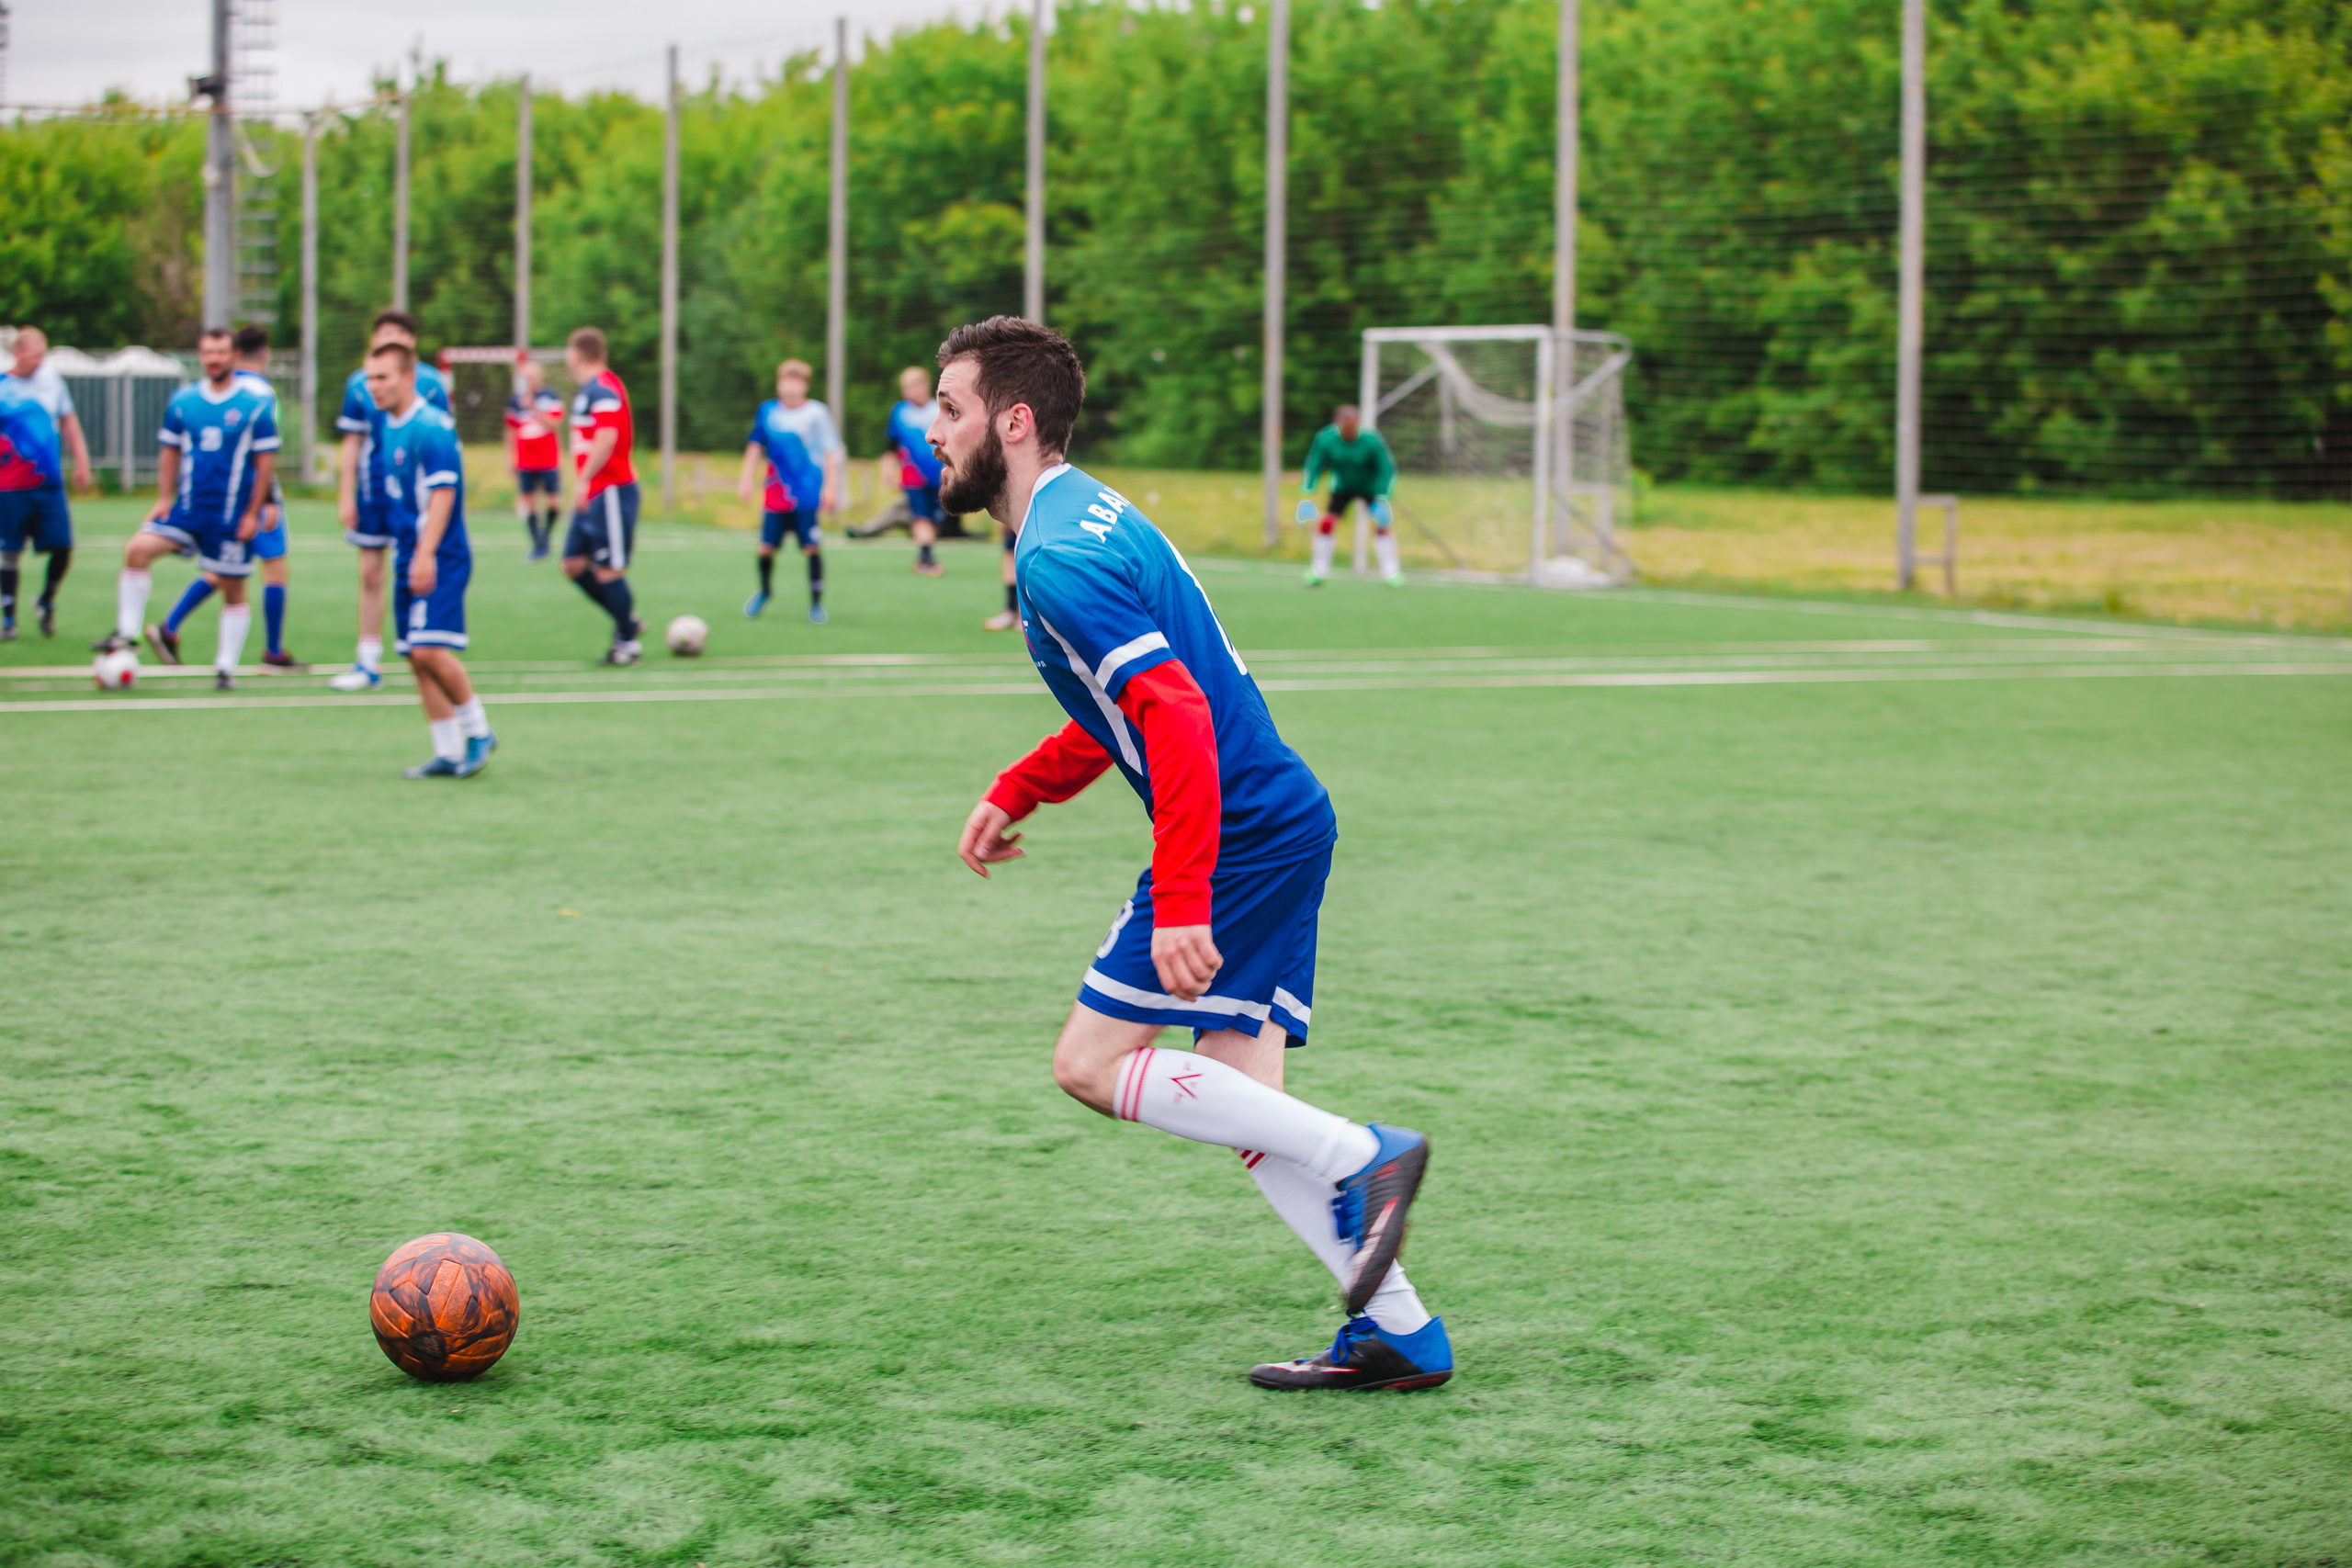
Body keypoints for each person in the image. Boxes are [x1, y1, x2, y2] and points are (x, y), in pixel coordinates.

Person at [942, 316, 1452, 1393]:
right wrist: (1019, 787)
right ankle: (1400, 1333)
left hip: (1241, 833)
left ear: (1014, 421)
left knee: (1087, 1064)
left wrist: (1181, 899)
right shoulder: (1084, 515)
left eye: (951, 408)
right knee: (1246, 1108)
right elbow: (1120, 704)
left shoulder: (1053, 557)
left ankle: (1367, 1155)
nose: (933, 432)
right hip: (1276, 816)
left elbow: (1172, 711)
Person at [101, 327, 277, 692]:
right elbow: (170, 450)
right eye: (207, 353)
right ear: (201, 357)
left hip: (230, 517)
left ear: (234, 356)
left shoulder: (254, 406)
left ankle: (225, 668)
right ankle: (127, 634)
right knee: (137, 549)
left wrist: (254, 512)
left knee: (233, 590)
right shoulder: (183, 401)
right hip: (187, 509)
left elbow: (265, 463)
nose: (213, 359)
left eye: (220, 352)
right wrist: (164, 498)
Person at [364, 342, 494, 777]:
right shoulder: (388, 426)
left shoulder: (432, 427)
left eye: (381, 377)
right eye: (369, 377)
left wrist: (425, 554)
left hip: (441, 556)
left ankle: (479, 731)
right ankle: (449, 750)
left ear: (407, 377)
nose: (373, 386)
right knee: (415, 656)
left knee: (430, 649)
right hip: (408, 554)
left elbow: (443, 493)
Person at [150, 326, 302, 670]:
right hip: (246, 500)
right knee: (272, 567)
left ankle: (170, 627)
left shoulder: (215, 390)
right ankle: (273, 651)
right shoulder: (260, 392)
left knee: (224, 570)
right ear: (264, 354)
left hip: (218, 498)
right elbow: (261, 457)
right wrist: (270, 501)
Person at [330, 310, 451, 693]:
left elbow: (444, 445)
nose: (388, 339)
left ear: (410, 342)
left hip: (413, 498)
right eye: (382, 333)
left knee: (417, 569)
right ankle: (367, 661)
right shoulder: (360, 384)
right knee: (369, 573)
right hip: (373, 493)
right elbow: (352, 439)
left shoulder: (431, 384)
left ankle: (426, 644)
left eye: (397, 333)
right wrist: (345, 492)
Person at [560, 327, 645, 665]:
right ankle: (629, 622)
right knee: (573, 564)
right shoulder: (589, 390)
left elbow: (607, 438)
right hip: (594, 492)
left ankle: (627, 643)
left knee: (608, 570)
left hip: (610, 490)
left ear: (577, 354)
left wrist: (583, 481)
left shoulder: (605, 387)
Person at [1, 326, 91, 640]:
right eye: (34, 354)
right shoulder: (3, 387)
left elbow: (68, 420)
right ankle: (9, 619)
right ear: (18, 352)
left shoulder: (52, 381)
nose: (40, 361)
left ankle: (46, 600)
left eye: (43, 354)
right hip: (11, 484)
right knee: (10, 551)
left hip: (48, 482)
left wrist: (82, 461)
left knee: (63, 547)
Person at [736, 358, 841, 626]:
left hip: (807, 493)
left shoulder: (817, 413)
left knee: (811, 547)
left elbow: (830, 451)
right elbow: (755, 447)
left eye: (795, 382)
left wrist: (831, 487)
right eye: (784, 381)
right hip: (775, 493)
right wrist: (746, 479)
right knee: (765, 549)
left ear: (805, 385)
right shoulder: (767, 411)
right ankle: (765, 590)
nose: (788, 387)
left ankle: (816, 604)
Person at [1298, 405, 1401, 588]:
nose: (1349, 429)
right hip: (1343, 486)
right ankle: (1318, 570)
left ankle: (1391, 572)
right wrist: (1307, 494)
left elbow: (1387, 468)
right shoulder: (1326, 439)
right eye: (1345, 426)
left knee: (1381, 525)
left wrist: (1383, 497)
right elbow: (1314, 465)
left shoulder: (1371, 440)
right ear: (1338, 424)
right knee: (1327, 523)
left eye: (1352, 425)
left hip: (1371, 488)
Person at [883, 366, 951, 577]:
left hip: (939, 473)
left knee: (937, 518)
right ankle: (926, 557)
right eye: (905, 387)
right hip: (913, 475)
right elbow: (890, 446)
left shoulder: (938, 410)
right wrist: (888, 470)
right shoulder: (900, 412)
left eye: (912, 386)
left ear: (924, 386)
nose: (908, 391)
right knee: (920, 515)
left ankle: (926, 552)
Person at [504, 358, 566, 561]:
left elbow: (555, 424)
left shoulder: (551, 396)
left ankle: (545, 536)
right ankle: (538, 545)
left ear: (540, 376)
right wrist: (510, 457)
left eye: (533, 375)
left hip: (548, 459)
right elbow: (511, 430)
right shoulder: (515, 400)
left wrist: (534, 408)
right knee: (529, 502)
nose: (530, 380)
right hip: (525, 460)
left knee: (554, 503)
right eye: (526, 376)